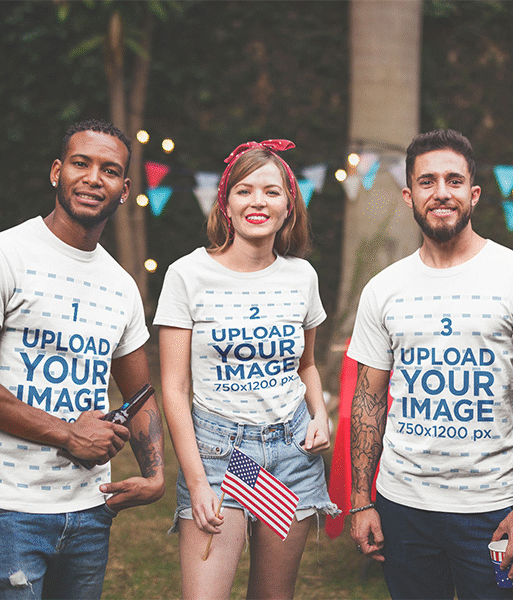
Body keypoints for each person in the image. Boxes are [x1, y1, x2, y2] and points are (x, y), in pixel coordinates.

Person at [0, 118, 165, 600]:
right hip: (10, 508)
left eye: (109, 170)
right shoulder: (2, 255)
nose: (93, 177)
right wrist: (68, 434)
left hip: (90, 508)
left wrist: (155, 475)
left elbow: (141, 394)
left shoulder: (121, 286)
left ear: (125, 189)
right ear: (56, 172)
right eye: (80, 163)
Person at [348, 129, 513, 600]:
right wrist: (362, 500)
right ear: (408, 195)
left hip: (491, 508)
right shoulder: (384, 288)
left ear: (474, 193)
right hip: (402, 504)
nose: (441, 192)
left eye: (453, 180)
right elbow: (367, 397)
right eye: (427, 182)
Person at [154, 139, 337, 600]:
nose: (258, 201)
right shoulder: (187, 275)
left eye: (272, 192)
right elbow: (174, 389)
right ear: (225, 203)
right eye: (244, 190)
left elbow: (308, 365)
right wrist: (196, 481)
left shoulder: (302, 277)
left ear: (288, 206)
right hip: (221, 456)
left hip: (290, 454)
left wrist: (320, 415)